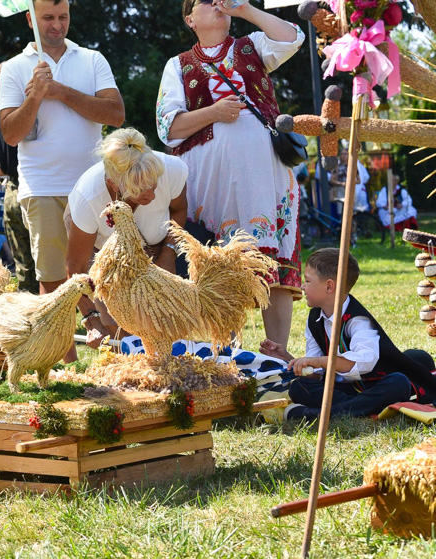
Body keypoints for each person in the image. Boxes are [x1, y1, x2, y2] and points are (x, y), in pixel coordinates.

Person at [156, 0, 304, 350]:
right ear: (190, 18)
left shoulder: (252, 44)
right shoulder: (178, 65)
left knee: (276, 267)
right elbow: (168, 127)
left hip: (266, 176)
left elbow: (292, 38)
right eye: (205, 1)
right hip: (212, 183)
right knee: (218, 263)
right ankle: (227, 351)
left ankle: (277, 353)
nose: (216, 3)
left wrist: (247, 10)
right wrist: (214, 113)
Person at [0, 0, 125, 301]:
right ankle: (63, 350)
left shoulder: (93, 59)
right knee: (53, 282)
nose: (57, 24)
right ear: (30, 20)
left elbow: (116, 114)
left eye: (63, 16)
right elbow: (11, 135)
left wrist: (61, 92)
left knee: (106, 276)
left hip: (93, 185)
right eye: (48, 18)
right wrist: (36, 98)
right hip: (43, 187)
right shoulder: (15, 68)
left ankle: (114, 345)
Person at [260, 248, 436, 421]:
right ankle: (355, 408)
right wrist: (289, 359)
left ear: (329, 286)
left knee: (399, 383)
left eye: (307, 281)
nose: (302, 286)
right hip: (345, 389)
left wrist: (320, 361)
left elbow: (364, 362)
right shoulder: (315, 318)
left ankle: (321, 414)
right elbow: (316, 373)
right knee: (299, 387)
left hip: (375, 383)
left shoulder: (359, 320)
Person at [66, 127, 188, 348]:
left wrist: (169, 252)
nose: (151, 195)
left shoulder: (171, 170)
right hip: (104, 254)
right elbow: (76, 265)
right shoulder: (88, 197)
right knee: (120, 328)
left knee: (165, 320)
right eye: (140, 190)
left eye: (153, 186)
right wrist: (91, 320)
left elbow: (179, 210)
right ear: (114, 184)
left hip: (155, 245)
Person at [0, 61, 37, 293]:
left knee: (23, 265)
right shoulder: (27, 110)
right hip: (35, 189)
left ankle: (26, 317)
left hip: (10, 194)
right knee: (48, 262)